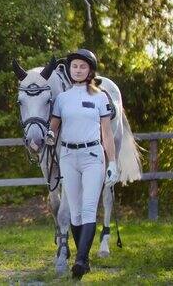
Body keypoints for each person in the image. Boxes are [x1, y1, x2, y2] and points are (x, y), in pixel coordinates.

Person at [45, 49, 119, 280]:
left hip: (92, 156)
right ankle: (83, 260)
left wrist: (113, 163)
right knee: (75, 213)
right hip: (68, 156)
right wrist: (48, 133)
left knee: (88, 209)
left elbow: (106, 133)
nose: (77, 70)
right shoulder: (62, 99)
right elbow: (54, 126)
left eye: (82, 67)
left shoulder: (100, 97)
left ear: (90, 71)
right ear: (70, 69)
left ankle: (79, 261)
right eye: (74, 66)